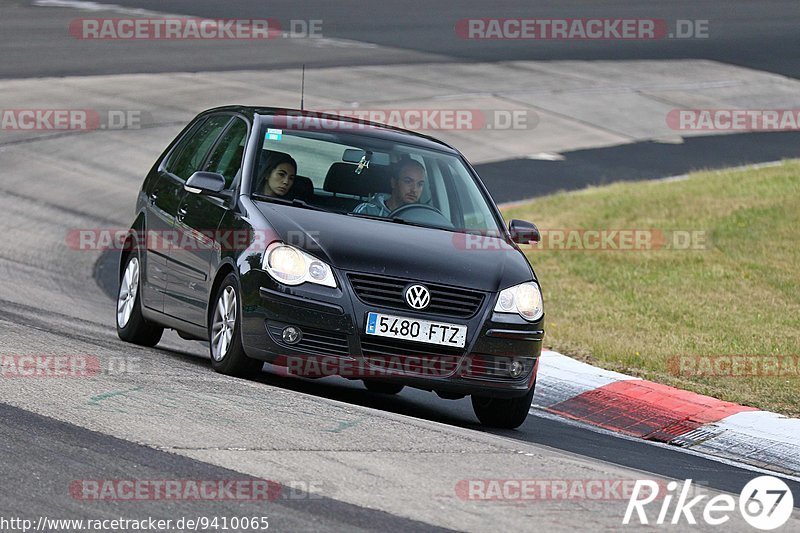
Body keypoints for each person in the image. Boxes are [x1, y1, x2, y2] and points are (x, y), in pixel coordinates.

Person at [353, 159, 426, 216]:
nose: (414, 189)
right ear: (393, 183)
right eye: (408, 181)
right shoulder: (367, 211)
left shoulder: (424, 217)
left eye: (420, 184)